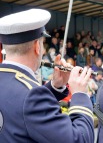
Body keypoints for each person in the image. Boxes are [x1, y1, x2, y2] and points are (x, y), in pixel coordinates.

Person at [0, 9, 94, 143]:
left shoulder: (25, 92)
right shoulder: (31, 96)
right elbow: (79, 139)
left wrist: (55, 86)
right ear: (37, 46)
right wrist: (80, 95)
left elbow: (21, 107)